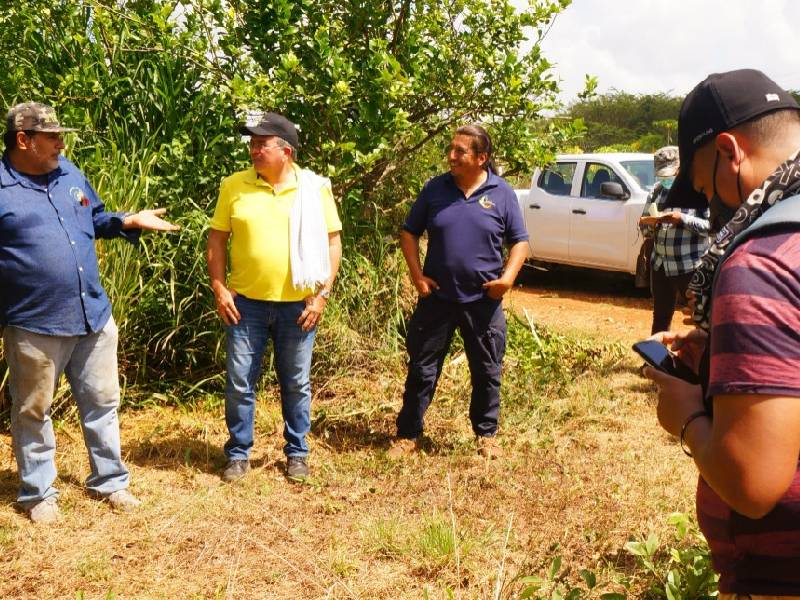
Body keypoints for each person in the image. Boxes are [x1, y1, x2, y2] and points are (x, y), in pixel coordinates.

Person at [643, 69, 800, 598]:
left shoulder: (762, 263)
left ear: (730, 151)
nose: (714, 209)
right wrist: (730, 355)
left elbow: (753, 484)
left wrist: (685, 414)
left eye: (709, 189)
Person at [0, 102, 179, 524]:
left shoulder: (69, 173)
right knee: (32, 410)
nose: (61, 143)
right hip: (34, 323)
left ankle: (110, 481)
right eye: (52, 137)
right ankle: (38, 492)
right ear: (23, 140)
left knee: (102, 402)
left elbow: (95, 217)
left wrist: (128, 220)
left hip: (92, 315)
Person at [207, 112, 342, 483]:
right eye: (251, 144)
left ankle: (297, 452)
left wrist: (322, 296)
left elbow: (333, 243)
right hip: (244, 304)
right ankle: (238, 453)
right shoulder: (234, 185)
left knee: (296, 382)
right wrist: (219, 287)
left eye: (260, 144)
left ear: (286, 151)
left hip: (299, 307)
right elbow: (217, 239)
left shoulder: (314, 189)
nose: (252, 150)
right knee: (238, 381)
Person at [387, 124, 529, 459]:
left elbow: (520, 242)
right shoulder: (435, 189)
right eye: (450, 149)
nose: (451, 156)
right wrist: (417, 275)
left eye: (460, 151)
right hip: (437, 298)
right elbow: (409, 234)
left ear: (482, 158)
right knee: (422, 368)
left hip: (483, 300)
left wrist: (506, 279)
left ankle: (486, 435)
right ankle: (408, 434)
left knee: (487, 369)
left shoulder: (502, 193)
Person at [638, 146, 710, 334]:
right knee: (661, 317)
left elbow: (712, 228)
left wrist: (682, 219)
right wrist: (650, 225)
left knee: (700, 318)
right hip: (660, 265)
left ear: (680, 169)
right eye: (662, 176)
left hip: (689, 267)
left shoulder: (698, 192)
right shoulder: (656, 191)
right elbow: (645, 226)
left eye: (669, 175)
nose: (666, 180)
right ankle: (655, 362)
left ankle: (700, 361)